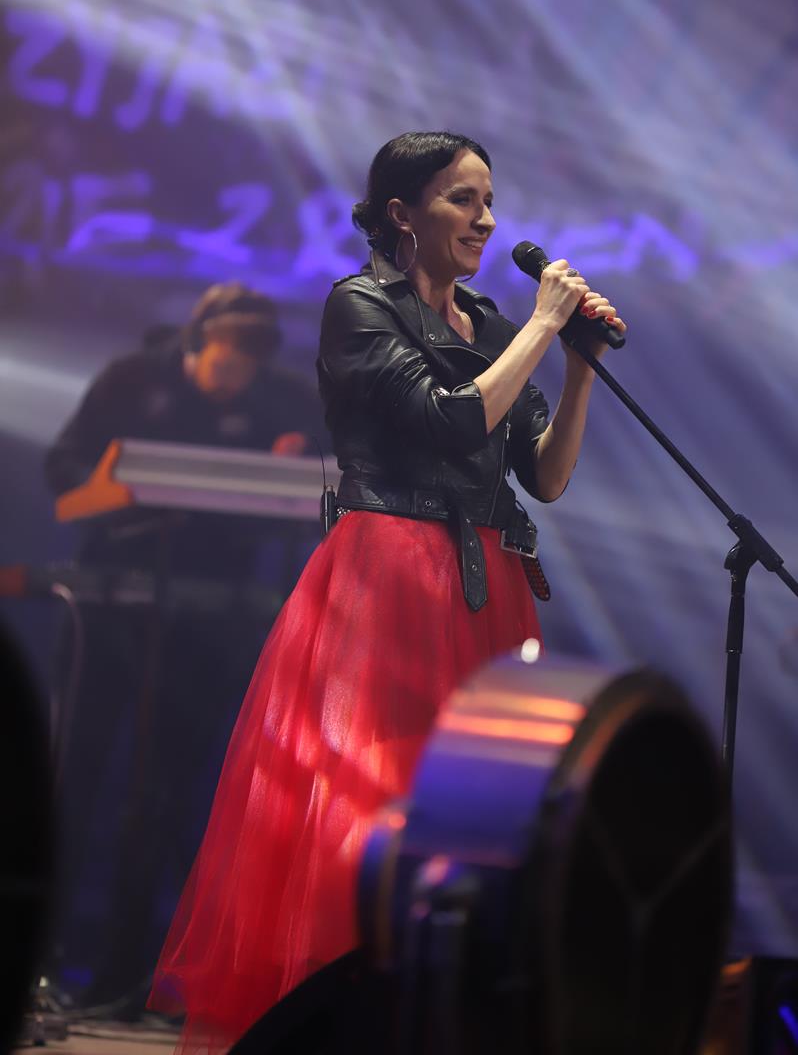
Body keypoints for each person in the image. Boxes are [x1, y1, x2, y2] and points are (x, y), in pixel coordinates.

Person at [149, 132, 626, 1052]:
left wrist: (577, 367)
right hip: (389, 576)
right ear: (402, 213)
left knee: (469, 813)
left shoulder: (490, 323)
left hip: (486, 582)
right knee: (368, 799)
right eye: (462, 199)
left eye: (489, 200)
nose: (485, 220)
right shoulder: (361, 305)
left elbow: (545, 474)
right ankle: (340, 1018)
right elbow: (449, 424)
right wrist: (541, 327)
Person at [44, 283, 323, 1011]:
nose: (234, 373)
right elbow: (63, 471)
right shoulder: (132, 379)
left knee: (165, 796)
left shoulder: (286, 400)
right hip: (111, 607)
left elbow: (325, 485)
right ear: (196, 343)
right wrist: (121, 489)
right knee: (73, 779)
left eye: (249, 361)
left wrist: (286, 474)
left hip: (209, 623)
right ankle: (36, 958)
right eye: (224, 356)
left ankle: (123, 979)